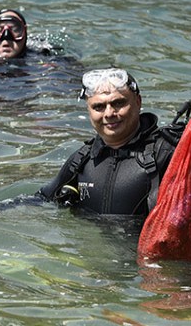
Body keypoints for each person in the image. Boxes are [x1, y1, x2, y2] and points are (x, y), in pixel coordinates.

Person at [36, 67, 180, 215]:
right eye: (98, 107)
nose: (109, 113)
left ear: (138, 102)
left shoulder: (166, 154)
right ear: (89, 110)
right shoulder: (82, 160)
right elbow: (40, 200)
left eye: (118, 103)